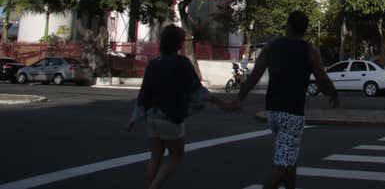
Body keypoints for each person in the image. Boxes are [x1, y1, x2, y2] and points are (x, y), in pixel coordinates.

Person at [225, 10, 338, 189]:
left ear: (288, 26)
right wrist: (333, 94)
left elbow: (255, 75)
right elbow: (321, 78)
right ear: (305, 30)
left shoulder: (272, 46)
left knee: (288, 159)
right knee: (284, 164)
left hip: (273, 112)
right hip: (292, 113)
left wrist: (240, 97)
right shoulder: (310, 50)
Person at [127, 25, 223, 189]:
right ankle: (154, 187)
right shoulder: (181, 63)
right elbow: (197, 90)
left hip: (152, 116)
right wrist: (221, 103)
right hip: (170, 116)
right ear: (178, 44)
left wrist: (134, 119)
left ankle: (149, 185)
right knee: (176, 156)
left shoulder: (153, 64)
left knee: (155, 156)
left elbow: (144, 94)